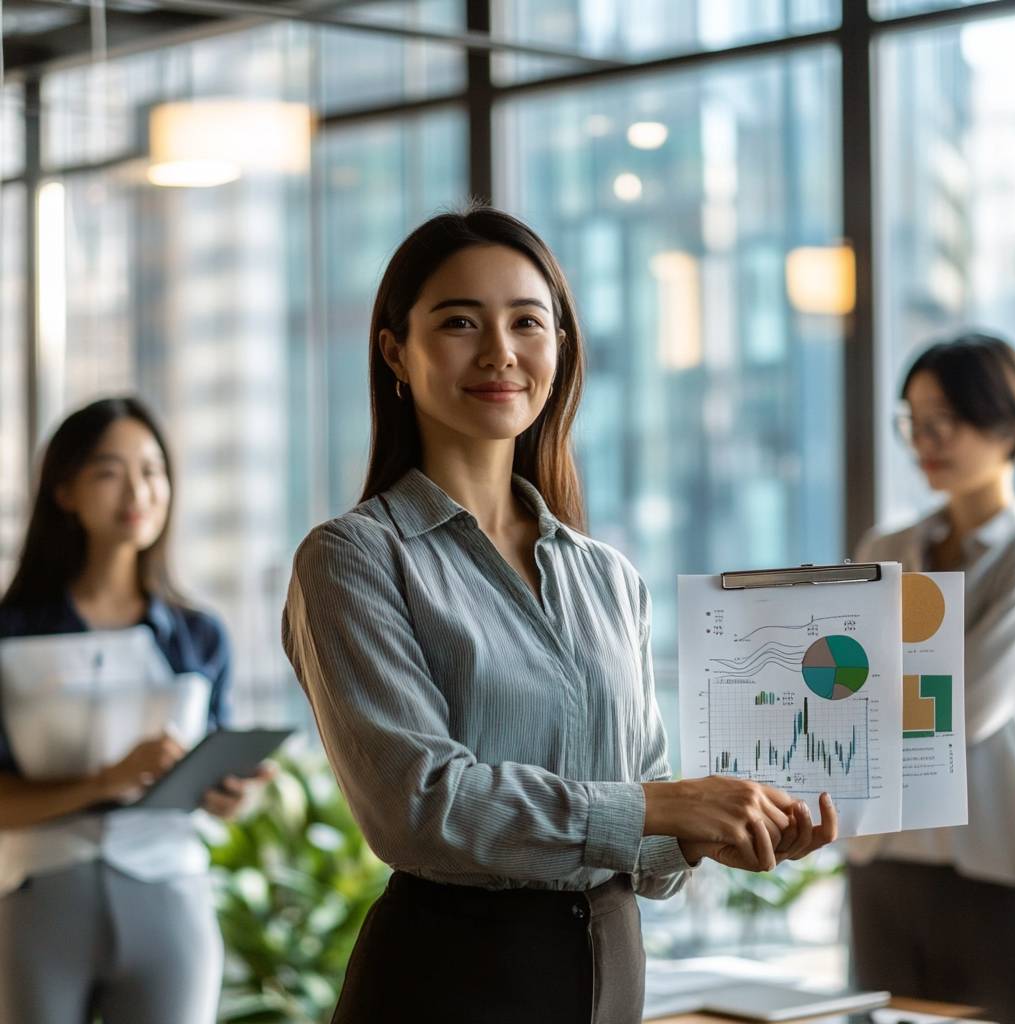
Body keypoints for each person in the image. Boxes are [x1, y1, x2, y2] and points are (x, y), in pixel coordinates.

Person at [282, 205, 839, 1024]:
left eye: (527, 322)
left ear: (562, 348)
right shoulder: (355, 558)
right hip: (449, 983)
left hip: (610, 975)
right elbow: (420, 807)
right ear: (396, 351)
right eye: (460, 322)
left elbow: (644, 829)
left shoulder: (608, 576)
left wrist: (710, 831)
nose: (500, 352)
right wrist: (661, 808)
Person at [0, 396, 266, 1024]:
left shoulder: (198, 635)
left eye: (152, 470)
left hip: (169, 894)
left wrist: (236, 795)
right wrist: (104, 782)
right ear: (64, 491)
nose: (137, 490)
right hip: (40, 897)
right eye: (108, 471)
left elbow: (218, 775)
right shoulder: (10, 633)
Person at [849, 332, 1015, 1022]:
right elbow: (843, 692)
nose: (927, 437)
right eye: (914, 420)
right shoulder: (887, 548)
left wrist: (882, 686)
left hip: (991, 855)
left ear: (1007, 421)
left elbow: (975, 704)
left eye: (947, 417)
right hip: (883, 848)